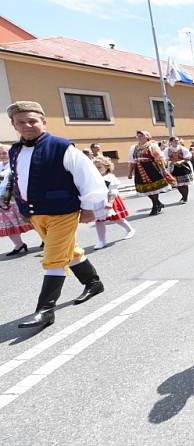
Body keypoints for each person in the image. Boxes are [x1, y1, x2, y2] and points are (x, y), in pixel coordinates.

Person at [3, 101, 107, 329]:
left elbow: (89, 178)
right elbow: (19, 178)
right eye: (21, 122)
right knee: (69, 251)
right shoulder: (15, 150)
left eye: (33, 121)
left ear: (43, 121)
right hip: (34, 213)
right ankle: (93, 283)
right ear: (13, 124)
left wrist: (89, 207)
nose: (28, 125)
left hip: (63, 211)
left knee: (53, 258)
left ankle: (45, 310)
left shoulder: (62, 147)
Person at [91, 156, 135, 249]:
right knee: (99, 221)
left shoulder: (109, 177)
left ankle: (130, 229)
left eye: (99, 167)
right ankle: (101, 240)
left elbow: (113, 191)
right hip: (98, 202)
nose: (97, 170)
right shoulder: (92, 178)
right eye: (94, 167)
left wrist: (110, 202)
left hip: (110, 200)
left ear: (106, 167)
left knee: (117, 219)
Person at [128, 131, 175, 215]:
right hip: (139, 169)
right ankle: (158, 203)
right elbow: (132, 161)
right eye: (138, 136)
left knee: (154, 189)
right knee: (146, 189)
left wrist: (163, 169)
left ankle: (155, 206)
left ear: (147, 137)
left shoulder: (152, 146)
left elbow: (159, 158)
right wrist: (130, 173)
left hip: (151, 168)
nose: (139, 137)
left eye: (142, 136)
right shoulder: (133, 148)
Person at [0, 143, 35, 255]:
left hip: (17, 199)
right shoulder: (0, 165)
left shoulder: (16, 163)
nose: (2, 155)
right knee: (8, 223)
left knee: (31, 220)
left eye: (4, 152)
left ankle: (46, 241)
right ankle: (19, 245)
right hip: (3, 201)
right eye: (0, 153)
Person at [166, 137, 193, 203]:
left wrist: (181, 161)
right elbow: (165, 158)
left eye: (177, 140)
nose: (177, 141)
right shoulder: (167, 150)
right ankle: (183, 196)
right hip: (174, 168)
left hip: (183, 167)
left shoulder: (182, 148)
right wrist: (171, 162)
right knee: (178, 184)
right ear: (171, 142)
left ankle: (185, 198)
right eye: (175, 140)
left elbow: (188, 157)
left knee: (184, 183)